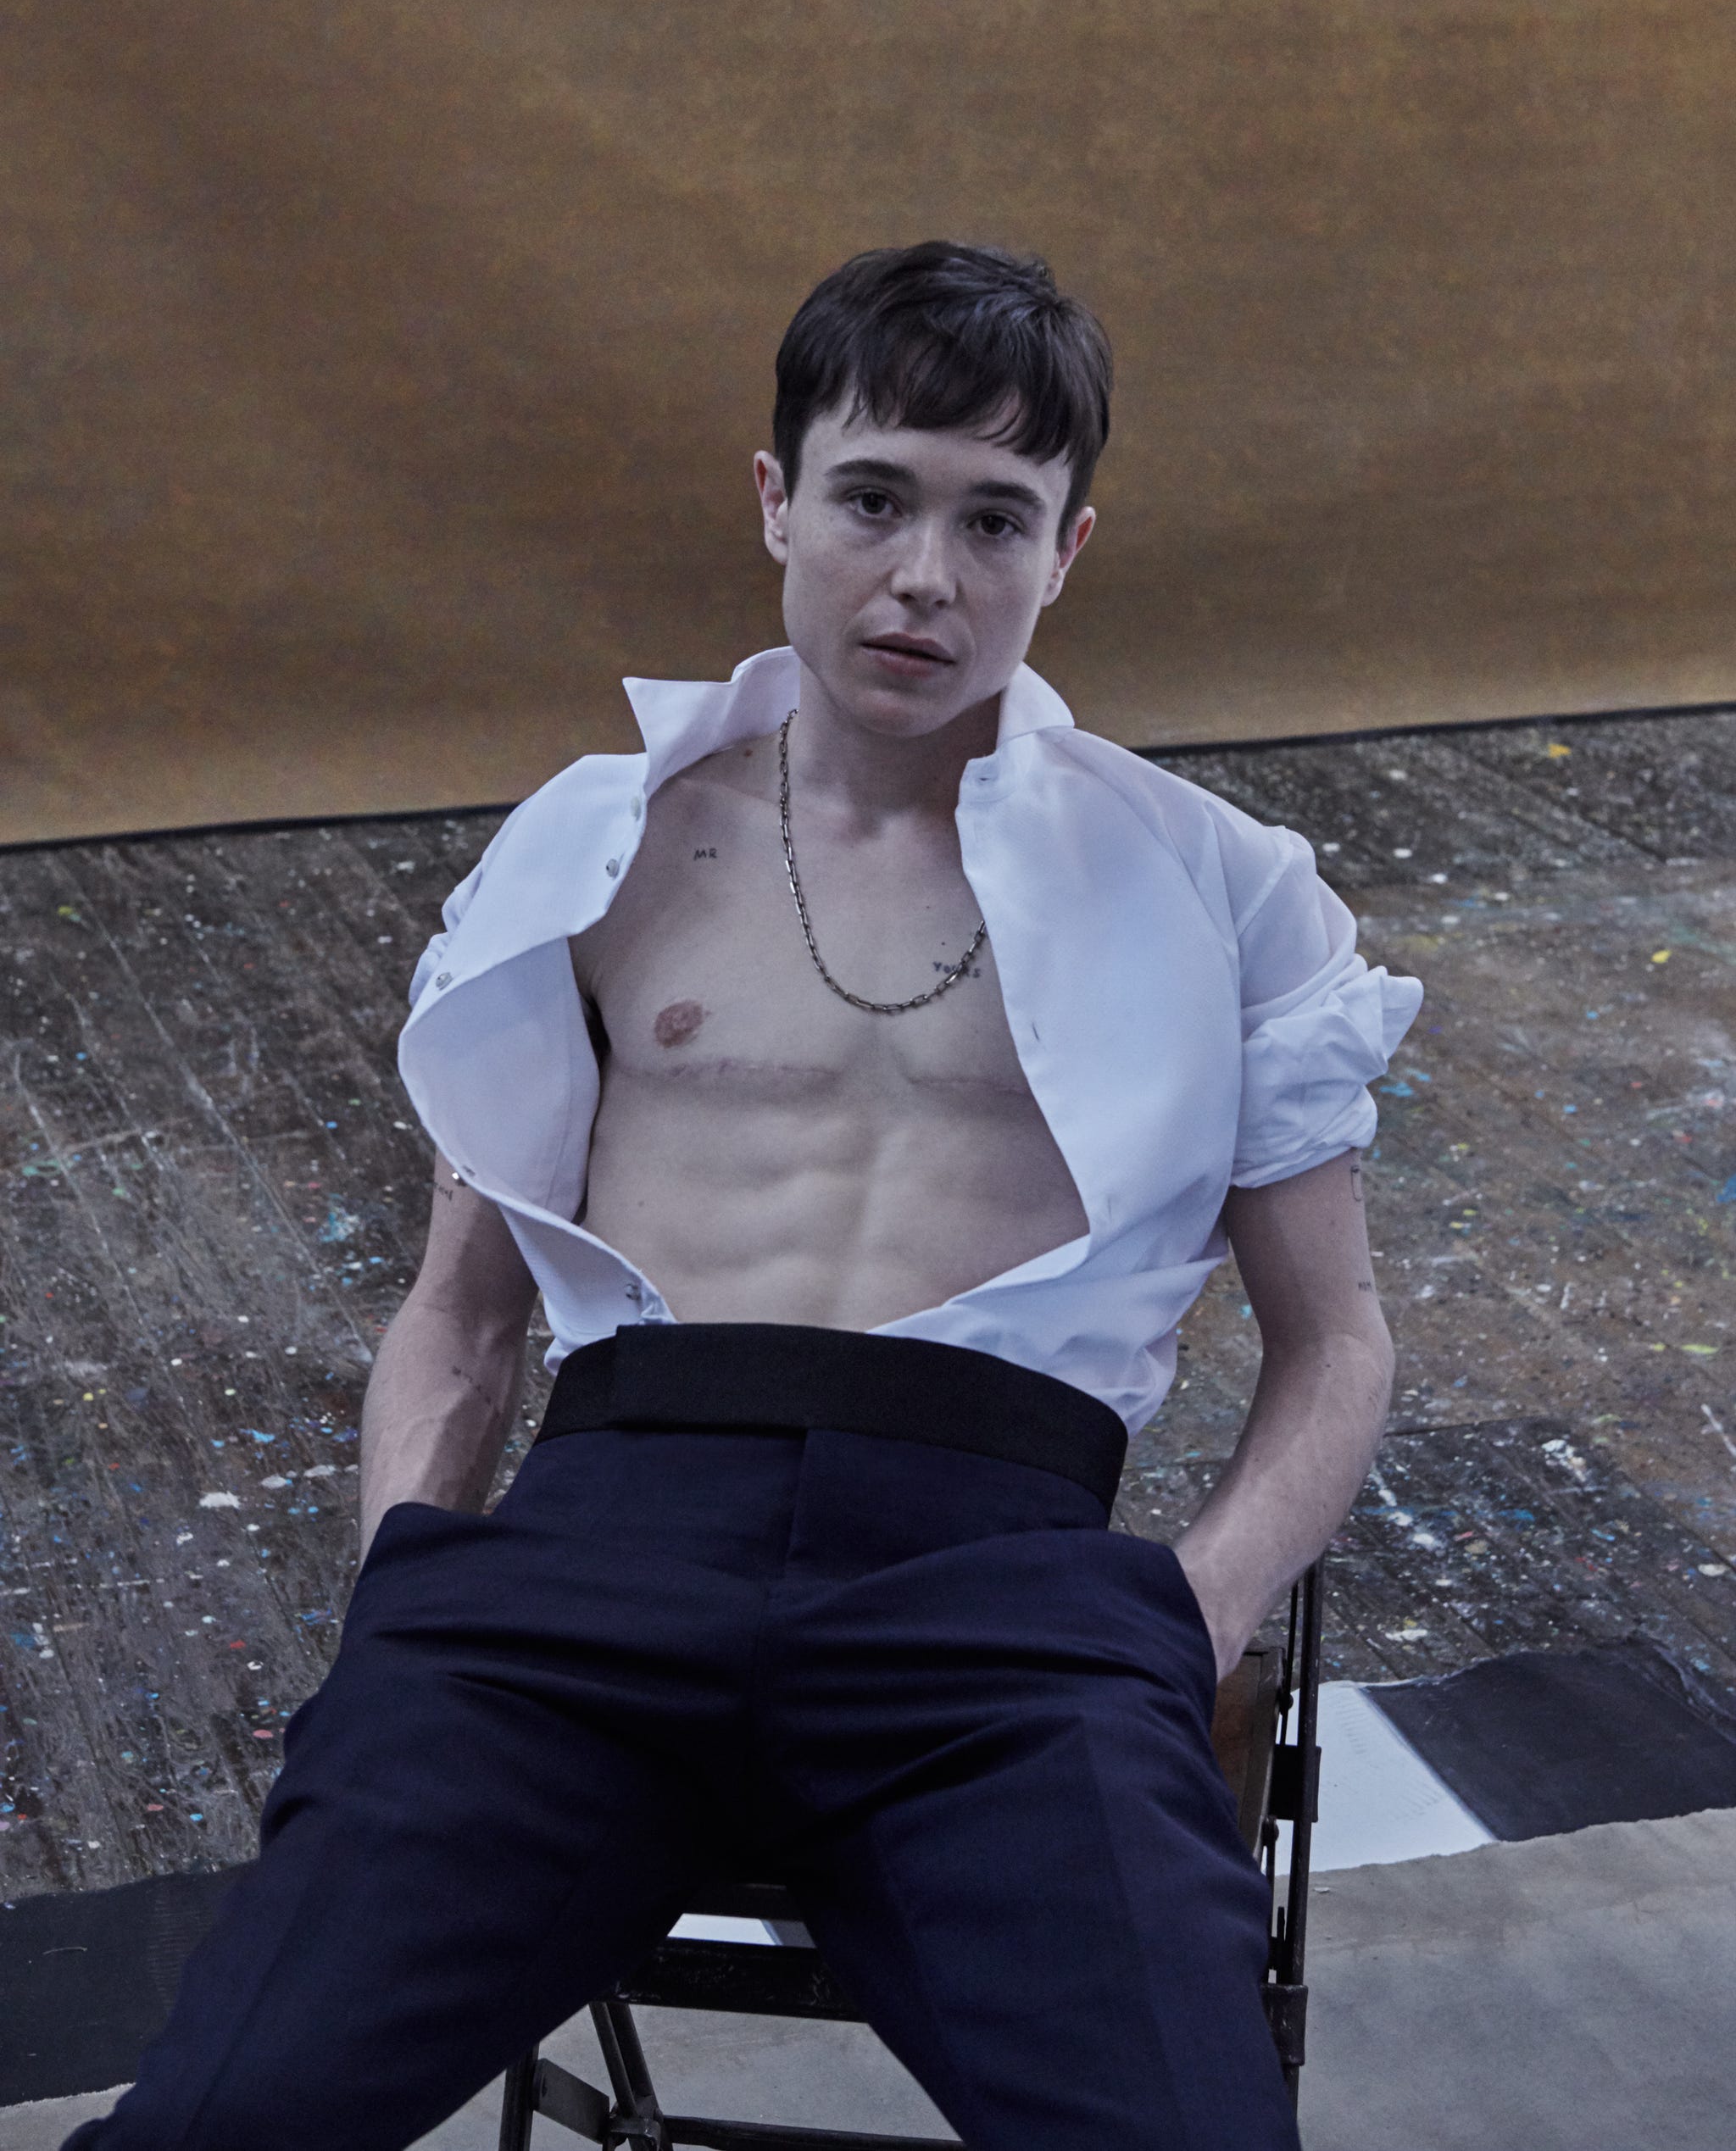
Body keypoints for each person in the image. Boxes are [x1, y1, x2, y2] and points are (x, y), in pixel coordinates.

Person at [66, 242, 1422, 2151]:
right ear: (777, 500)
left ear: (1067, 552)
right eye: (873, 499)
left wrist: (1183, 1613)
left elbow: (1334, 1341)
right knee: (216, 2124)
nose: (924, 574)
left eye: (993, 519)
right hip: (596, 1560)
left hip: (998, 1595)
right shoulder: (597, 844)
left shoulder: (1223, 885)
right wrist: (403, 1594)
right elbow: (463, 1311)